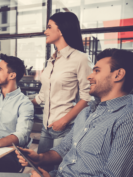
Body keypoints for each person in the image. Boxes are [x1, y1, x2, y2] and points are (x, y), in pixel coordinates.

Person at [0, 48, 133, 177]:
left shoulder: (127, 118)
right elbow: (63, 149)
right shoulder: (86, 113)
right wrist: (39, 158)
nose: (89, 76)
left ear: (118, 74)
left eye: (97, 71)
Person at [31, 12, 92, 167]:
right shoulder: (51, 60)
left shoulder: (80, 59)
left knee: (60, 170)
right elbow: (43, 94)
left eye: (49, 27)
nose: (45, 31)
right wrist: (23, 103)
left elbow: (88, 97)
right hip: (47, 126)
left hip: (66, 127)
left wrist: (64, 121)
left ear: (61, 30)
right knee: (41, 167)